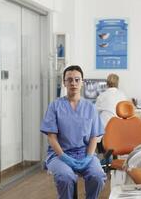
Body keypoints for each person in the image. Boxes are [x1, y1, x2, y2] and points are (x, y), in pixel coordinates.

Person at [40, 65, 106, 199]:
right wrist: (64, 157)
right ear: (64, 83)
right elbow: (51, 138)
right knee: (66, 177)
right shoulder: (55, 106)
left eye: (77, 79)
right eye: (69, 80)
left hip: (84, 153)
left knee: (97, 176)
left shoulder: (90, 107)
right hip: (59, 155)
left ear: (82, 82)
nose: (73, 83)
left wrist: (88, 157)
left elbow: (94, 136)